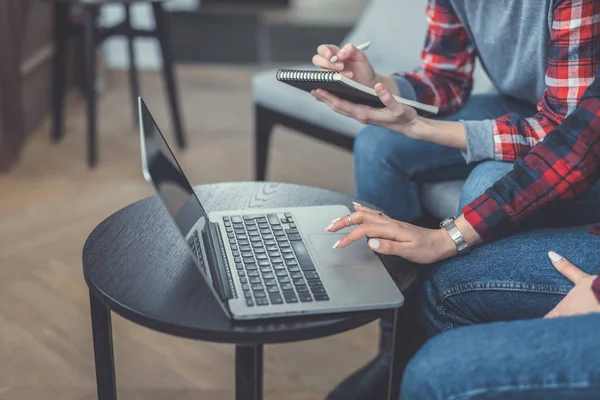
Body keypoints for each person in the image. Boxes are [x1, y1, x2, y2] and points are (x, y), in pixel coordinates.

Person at [311, 1, 600, 397]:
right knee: (379, 144)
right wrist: (375, 83)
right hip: (528, 109)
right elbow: (445, 79)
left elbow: (570, 132)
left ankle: (491, 358)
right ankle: (393, 346)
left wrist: (425, 131)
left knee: (485, 185)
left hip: (569, 123)